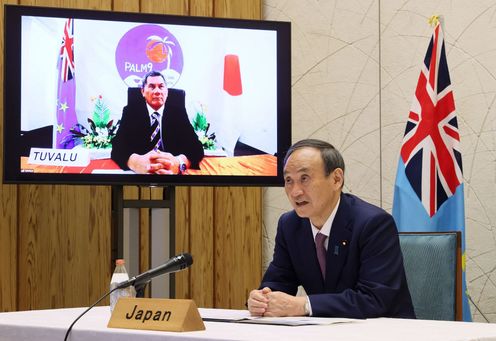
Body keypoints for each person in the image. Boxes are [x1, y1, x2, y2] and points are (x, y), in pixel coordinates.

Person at [247, 139, 415, 319]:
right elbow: (278, 282)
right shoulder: (290, 225)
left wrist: (304, 305)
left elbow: (374, 299)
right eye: (289, 180)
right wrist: (262, 299)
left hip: (383, 332)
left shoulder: (373, 224)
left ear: (336, 179)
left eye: (304, 179)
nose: (295, 192)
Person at [111, 70, 204, 174]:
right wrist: (135, 162)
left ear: (167, 91)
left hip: (170, 176)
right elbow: (118, 146)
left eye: (161, 86)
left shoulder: (178, 112)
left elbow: (196, 148)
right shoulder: (131, 111)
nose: (157, 91)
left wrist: (179, 163)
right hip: (142, 176)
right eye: (151, 86)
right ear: (142, 92)